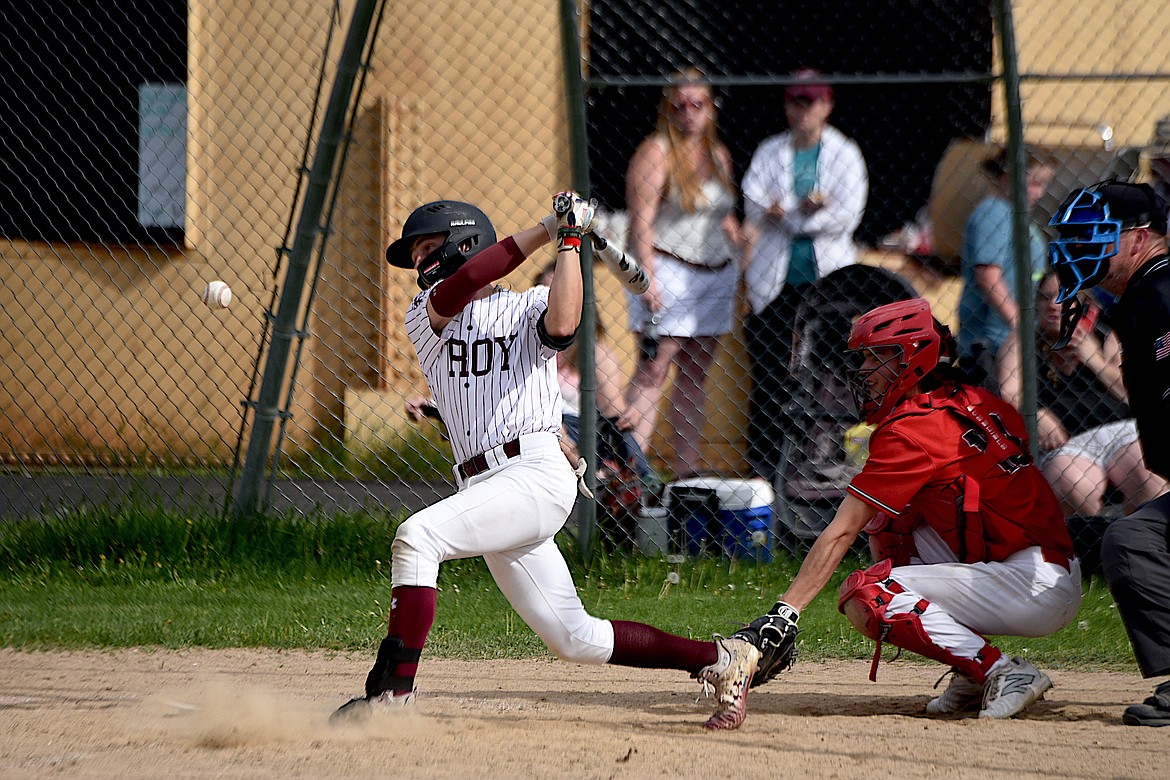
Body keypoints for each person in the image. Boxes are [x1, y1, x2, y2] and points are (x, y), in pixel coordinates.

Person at [331, 194, 759, 731]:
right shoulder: (426, 315)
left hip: (534, 473)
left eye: (427, 248)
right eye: (416, 253)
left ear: (464, 243)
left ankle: (390, 695)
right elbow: (465, 284)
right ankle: (721, 661)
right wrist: (544, 228)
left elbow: (563, 324)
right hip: (485, 487)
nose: (418, 262)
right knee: (575, 637)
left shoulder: (529, 303)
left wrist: (571, 240)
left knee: (417, 539)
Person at [734, 298, 1083, 721]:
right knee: (893, 523)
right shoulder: (973, 398)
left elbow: (842, 530)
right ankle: (971, 672)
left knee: (869, 593)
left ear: (912, 359)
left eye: (875, 358)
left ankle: (1002, 672)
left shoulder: (913, 428)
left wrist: (785, 613)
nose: (863, 371)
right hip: (1040, 564)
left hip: (1031, 584)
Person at [1048, 180, 1170, 727]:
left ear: (1140, 238)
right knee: (1133, 537)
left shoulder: (1159, 295)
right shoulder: (1141, 298)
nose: (1076, 249)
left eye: (1092, 236)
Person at [740, 67, 868, 480]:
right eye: (796, 101)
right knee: (771, 373)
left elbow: (847, 214)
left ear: (827, 105)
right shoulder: (770, 151)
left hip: (828, 284)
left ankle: (832, 464)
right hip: (776, 284)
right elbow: (753, 200)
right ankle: (764, 469)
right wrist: (798, 212)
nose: (803, 110)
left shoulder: (845, 153)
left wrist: (792, 217)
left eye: (811, 101)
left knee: (836, 372)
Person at [623, 68, 743, 479]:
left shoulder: (719, 155)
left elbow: (725, 218)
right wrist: (647, 279)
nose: (689, 113)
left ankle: (687, 476)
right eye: (679, 105)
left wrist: (746, 255)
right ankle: (628, 472)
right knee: (654, 370)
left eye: (698, 104)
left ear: (711, 108)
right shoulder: (656, 152)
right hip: (669, 267)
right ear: (667, 109)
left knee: (695, 375)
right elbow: (640, 222)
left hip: (715, 274)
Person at [999, 273, 1166, 516]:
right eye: (1045, 298)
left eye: (1063, 297)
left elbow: (1133, 393)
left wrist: (1094, 360)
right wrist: (1033, 414)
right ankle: (1094, 541)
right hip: (1068, 444)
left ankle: (1135, 537)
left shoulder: (1107, 334)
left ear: (1084, 302)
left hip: (1119, 430)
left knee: (1148, 473)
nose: (1053, 305)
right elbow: (1008, 393)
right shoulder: (1023, 341)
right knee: (1071, 481)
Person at [956, 147, 1054, 391]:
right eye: (1034, 183)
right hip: (993, 343)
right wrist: (1018, 323)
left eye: (1044, 184)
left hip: (1013, 341)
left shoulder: (1016, 216)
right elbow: (987, 276)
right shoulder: (994, 212)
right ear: (1010, 176)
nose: (1040, 192)